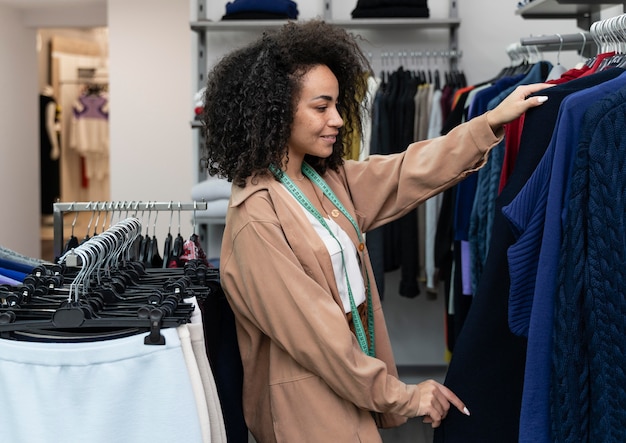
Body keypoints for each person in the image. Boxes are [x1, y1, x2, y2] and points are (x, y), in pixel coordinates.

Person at [201, 19, 551, 442]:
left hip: (348, 391)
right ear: (274, 110)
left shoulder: (321, 180)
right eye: (321, 107)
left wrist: (489, 122)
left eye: (338, 104)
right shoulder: (256, 218)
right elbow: (318, 336)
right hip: (306, 411)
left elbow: (406, 171)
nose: (339, 119)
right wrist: (401, 396)